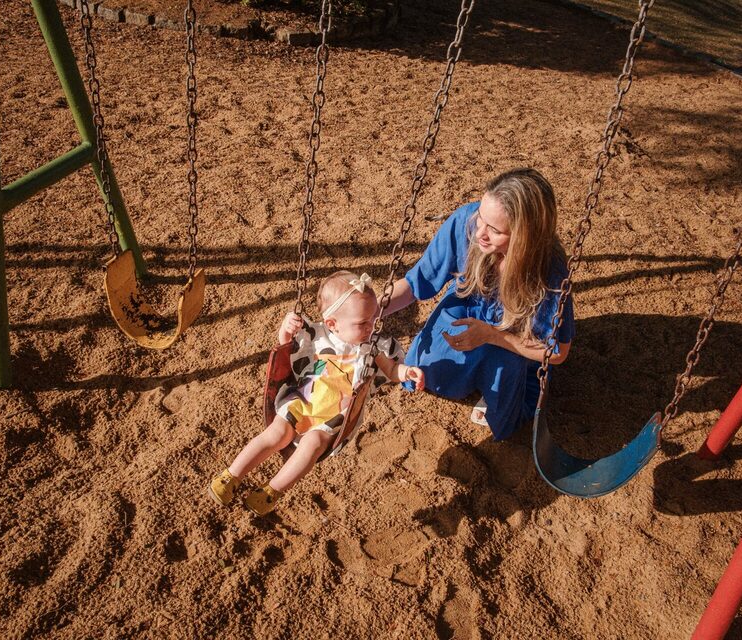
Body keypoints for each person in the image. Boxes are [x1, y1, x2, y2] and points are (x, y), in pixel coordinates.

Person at [209, 271, 425, 515]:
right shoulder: (318, 335)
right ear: (333, 324)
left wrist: (406, 372)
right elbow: (287, 348)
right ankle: (231, 475)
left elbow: (392, 369)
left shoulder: (372, 348)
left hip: (333, 419)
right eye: (361, 323)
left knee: (313, 445)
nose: (371, 327)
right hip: (303, 400)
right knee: (275, 434)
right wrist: (286, 329)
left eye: (373, 319)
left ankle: (271, 491)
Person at [383, 167, 575, 440]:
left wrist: (493, 336)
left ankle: (500, 382)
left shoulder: (549, 271)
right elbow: (418, 281)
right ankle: (476, 371)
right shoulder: (467, 220)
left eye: (495, 230)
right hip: (471, 302)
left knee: (504, 404)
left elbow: (557, 352)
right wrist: (373, 308)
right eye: (481, 218)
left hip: (514, 334)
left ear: (524, 237)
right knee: (425, 371)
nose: (479, 233)